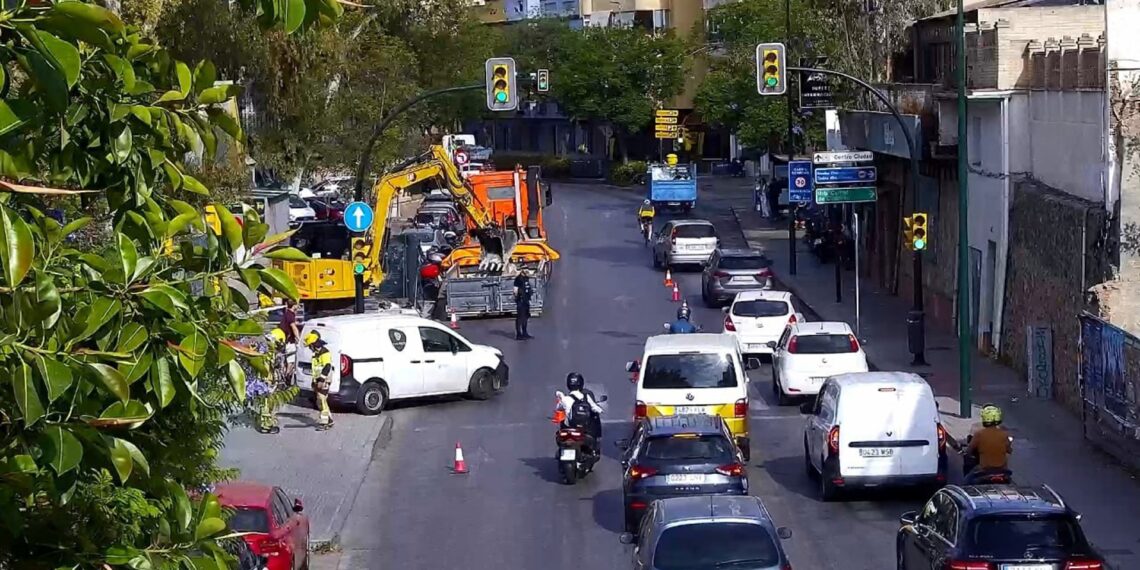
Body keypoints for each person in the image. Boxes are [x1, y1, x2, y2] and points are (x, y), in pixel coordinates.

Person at [953, 404, 1012, 482]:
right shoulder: (1004, 434)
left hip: (985, 469)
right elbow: (1009, 450)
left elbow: (969, 451)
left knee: (966, 482)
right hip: (1002, 470)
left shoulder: (979, 434)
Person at [556, 372, 604, 454]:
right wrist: (600, 410)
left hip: (568, 429)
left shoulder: (565, 399)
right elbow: (596, 408)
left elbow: (558, 408)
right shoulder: (586, 396)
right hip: (584, 430)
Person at [305, 330, 334, 431]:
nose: (309, 348)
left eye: (310, 346)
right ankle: (329, 419)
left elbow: (327, 366)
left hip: (324, 379)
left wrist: (321, 379)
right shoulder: (316, 353)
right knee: (320, 400)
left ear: (313, 344)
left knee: (321, 399)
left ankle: (324, 422)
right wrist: (314, 381)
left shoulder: (324, 353)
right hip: (318, 379)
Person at [513, 268, 534, 340]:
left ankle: (525, 333)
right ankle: (519, 334)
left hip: (526, 300)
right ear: (522, 271)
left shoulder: (526, 278)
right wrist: (517, 298)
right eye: (525, 269)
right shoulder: (518, 279)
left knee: (526, 317)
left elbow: (528, 288)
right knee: (520, 318)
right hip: (520, 301)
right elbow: (515, 290)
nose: (527, 271)